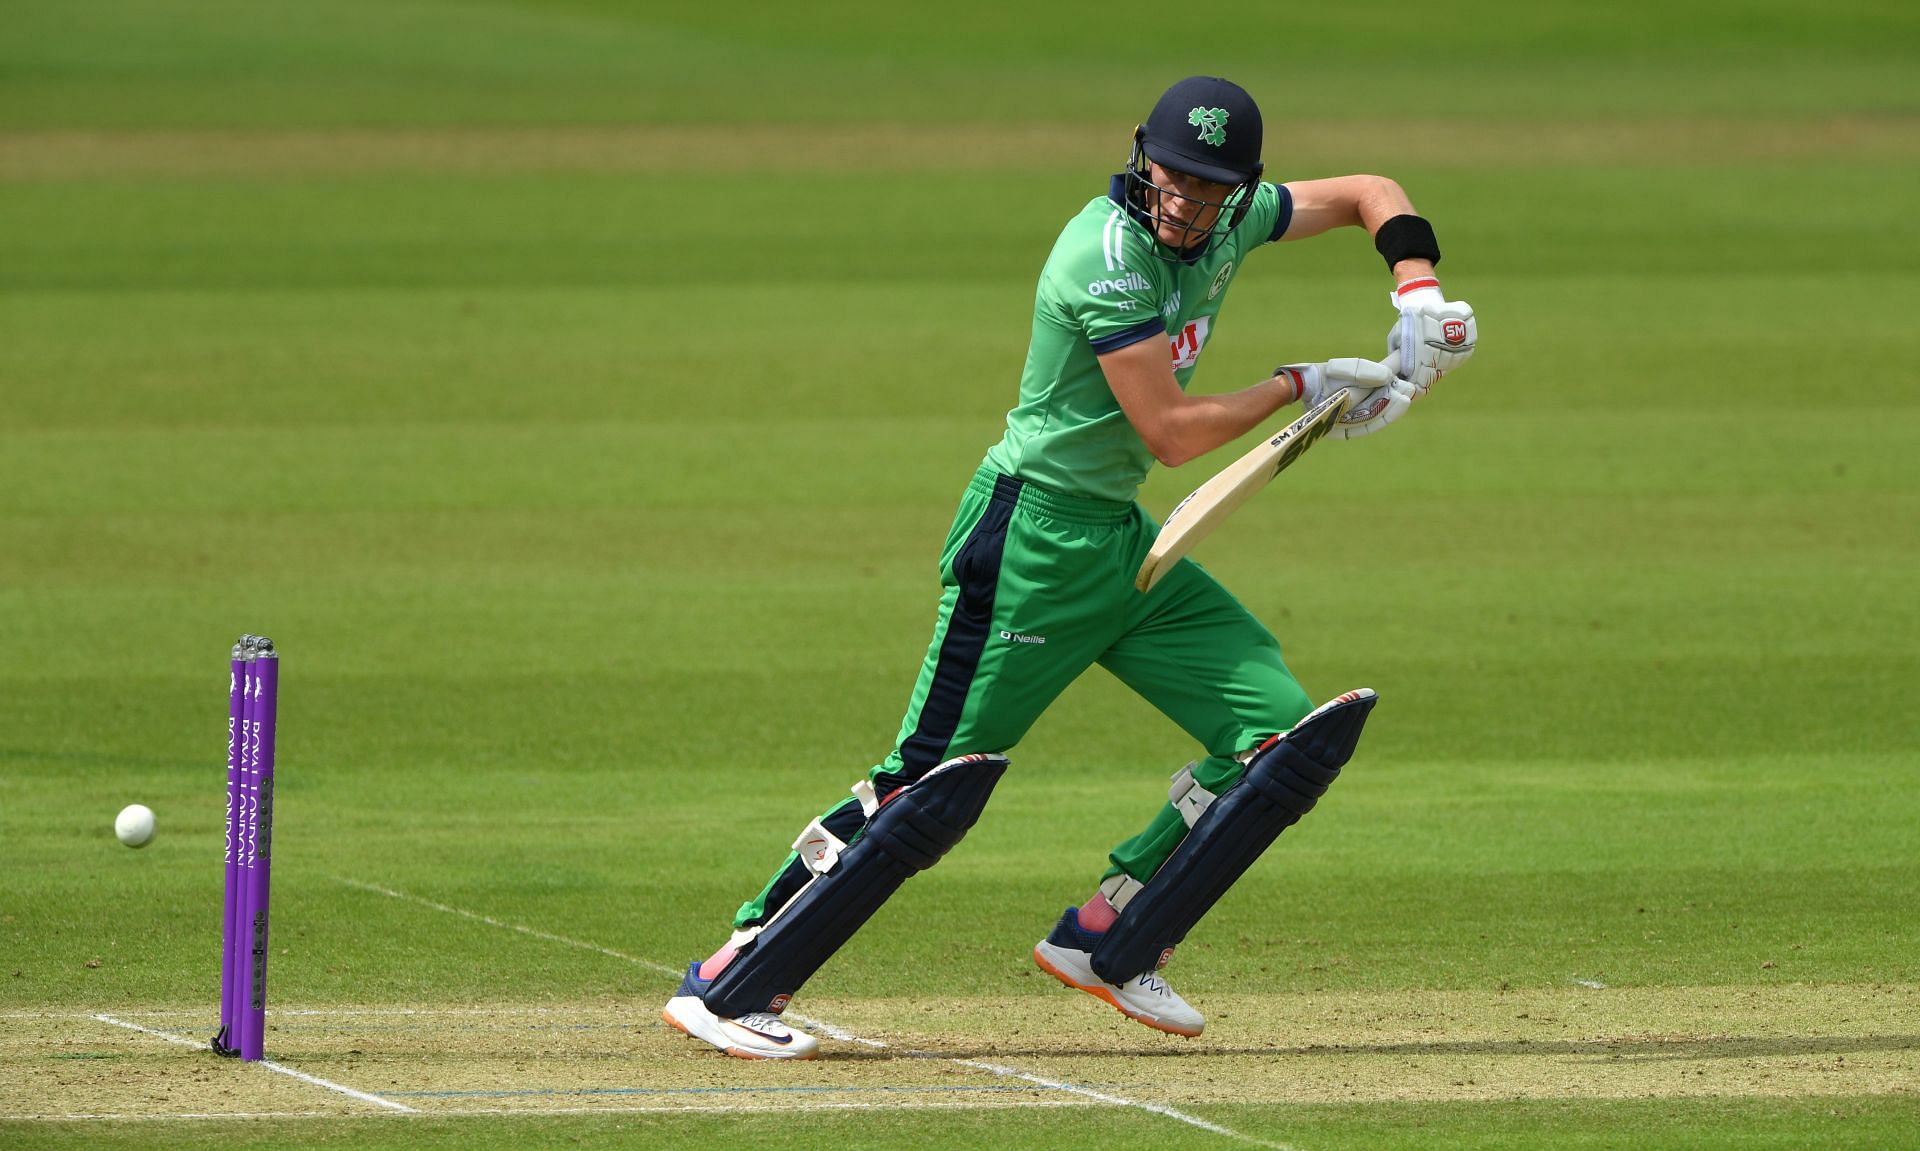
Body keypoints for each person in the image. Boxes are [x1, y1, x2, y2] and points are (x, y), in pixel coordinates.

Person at [663, 76, 1476, 1059]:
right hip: (1031, 545)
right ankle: (730, 975)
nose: (1185, 200)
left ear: (1238, 188)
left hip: (1122, 545)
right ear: (1145, 160)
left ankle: (1110, 934)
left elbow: (1367, 192)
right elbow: (1170, 434)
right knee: (934, 783)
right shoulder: (1106, 257)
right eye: (1172, 177)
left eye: (1209, 186)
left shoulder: (1232, 221)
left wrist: (1419, 292)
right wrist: (1304, 384)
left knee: (1281, 741)